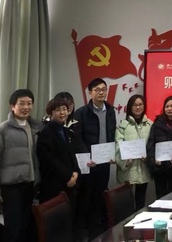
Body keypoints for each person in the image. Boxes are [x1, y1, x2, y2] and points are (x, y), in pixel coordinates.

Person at [0, 89, 43, 242]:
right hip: (11, 189)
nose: (26, 107)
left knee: (26, 227)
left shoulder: (34, 128)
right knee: (13, 230)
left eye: (29, 103)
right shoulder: (1, 131)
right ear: (12, 106)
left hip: (29, 186)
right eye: (22, 104)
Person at [72, 77, 117, 240]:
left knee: (101, 195)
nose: (101, 92)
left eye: (104, 89)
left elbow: (112, 133)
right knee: (86, 197)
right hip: (88, 163)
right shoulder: (81, 113)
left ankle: (98, 231)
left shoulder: (110, 110)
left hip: (104, 162)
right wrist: (86, 157)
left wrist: (113, 153)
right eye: (97, 90)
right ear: (89, 92)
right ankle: (83, 232)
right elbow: (77, 138)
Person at [37, 97, 80, 206]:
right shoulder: (45, 133)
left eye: (64, 109)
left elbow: (72, 154)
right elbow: (51, 160)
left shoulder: (67, 131)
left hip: (70, 182)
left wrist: (76, 171)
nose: (62, 113)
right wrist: (68, 176)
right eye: (58, 110)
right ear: (50, 113)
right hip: (53, 183)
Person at [115, 94, 152, 210]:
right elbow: (118, 146)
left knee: (141, 201)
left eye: (140, 104)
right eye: (135, 105)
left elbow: (153, 146)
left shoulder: (150, 125)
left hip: (143, 168)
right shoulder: (122, 126)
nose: (138, 107)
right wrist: (125, 161)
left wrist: (149, 157)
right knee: (127, 203)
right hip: (128, 168)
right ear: (130, 107)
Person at [147, 95, 172, 199]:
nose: (169, 109)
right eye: (167, 106)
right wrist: (154, 160)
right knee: (161, 197)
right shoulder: (157, 124)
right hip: (160, 168)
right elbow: (151, 144)